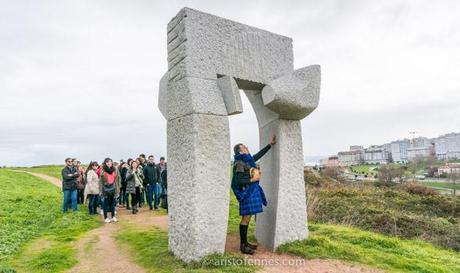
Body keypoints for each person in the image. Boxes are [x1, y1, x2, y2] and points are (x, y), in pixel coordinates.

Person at [231, 135, 276, 255]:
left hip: (250, 192)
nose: (246, 147)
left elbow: (258, 155)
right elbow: (238, 180)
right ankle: (242, 246)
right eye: (244, 147)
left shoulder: (248, 160)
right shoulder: (239, 163)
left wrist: (270, 145)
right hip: (246, 193)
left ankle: (245, 243)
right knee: (245, 219)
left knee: (248, 217)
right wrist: (253, 180)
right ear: (240, 151)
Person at [98, 158, 121, 223]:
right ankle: (106, 218)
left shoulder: (115, 169)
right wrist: (101, 191)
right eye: (107, 162)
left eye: (110, 162)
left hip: (113, 189)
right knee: (105, 204)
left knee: (113, 203)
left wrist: (118, 188)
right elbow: (100, 182)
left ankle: (113, 217)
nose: (109, 163)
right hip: (105, 189)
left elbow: (118, 179)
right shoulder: (103, 171)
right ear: (105, 163)